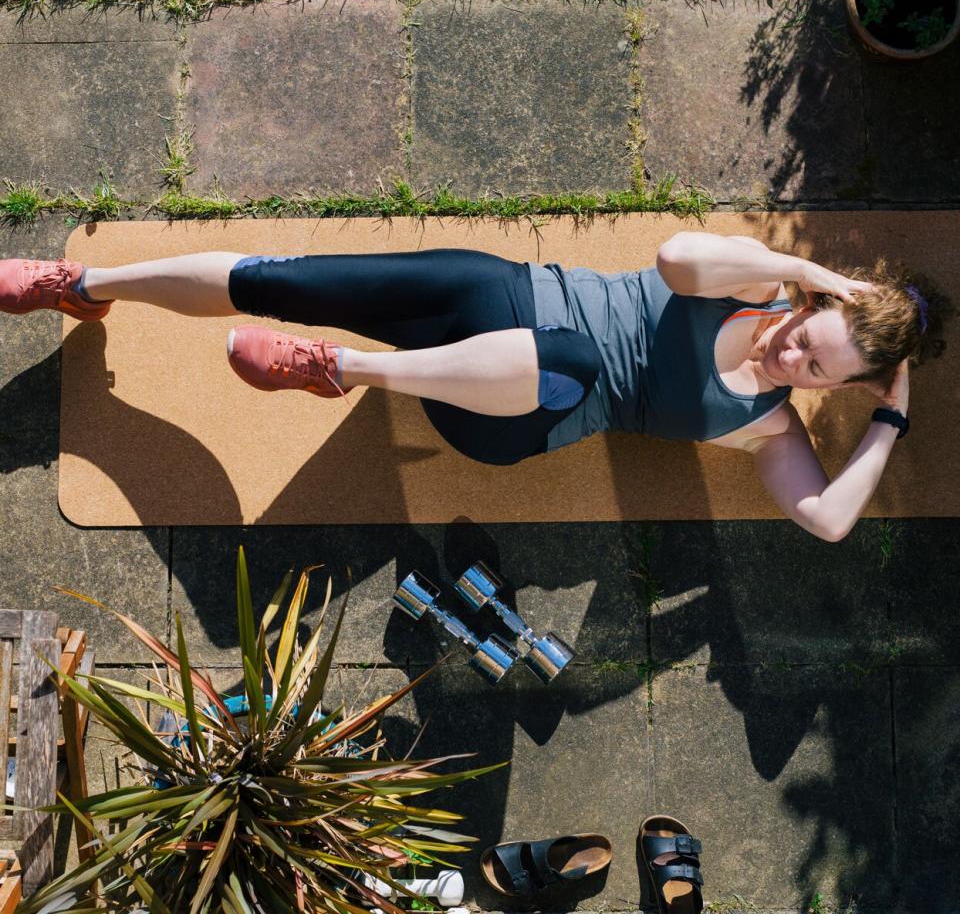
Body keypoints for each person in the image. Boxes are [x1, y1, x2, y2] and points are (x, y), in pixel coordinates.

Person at [0, 234, 944, 541]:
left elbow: (825, 519)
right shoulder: (758, 280)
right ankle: (80, 288)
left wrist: (890, 421)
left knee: (570, 358)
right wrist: (806, 273)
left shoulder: (770, 427)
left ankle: (339, 369)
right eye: (800, 329)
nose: (788, 353)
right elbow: (675, 256)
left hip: (513, 414)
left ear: (841, 389)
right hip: (495, 301)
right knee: (286, 280)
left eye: (815, 366)